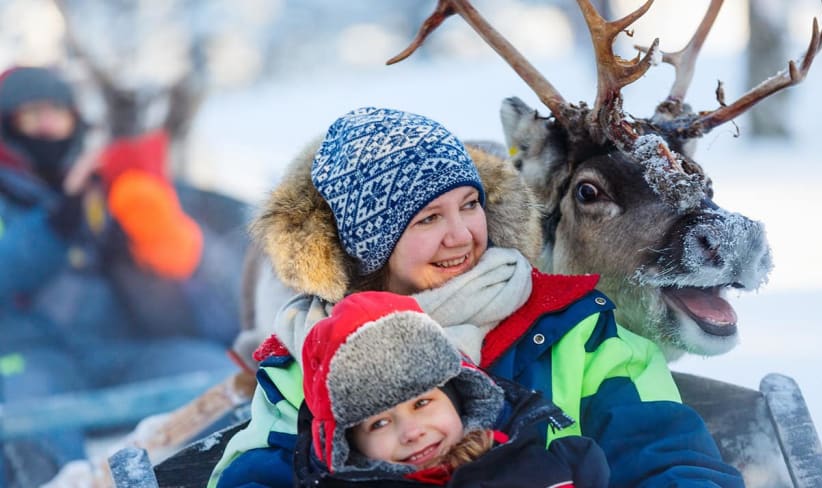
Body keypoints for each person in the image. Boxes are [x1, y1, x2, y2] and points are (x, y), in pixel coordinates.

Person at [211, 107, 744, 487]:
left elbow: (669, 456)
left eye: (469, 205)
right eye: (428, 219)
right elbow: (250, 475)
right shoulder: (307, 362)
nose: (462, 234)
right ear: (368, 248)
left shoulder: (575, 330)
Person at [0, 66, 238, 487]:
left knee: (220, 380)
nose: (47, 126)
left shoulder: (101, 180)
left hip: (118, 350)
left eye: (57, 112)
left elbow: (194, 258)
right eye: (31, 116)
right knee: (30, 430)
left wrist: (137, 239)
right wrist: (54, 227)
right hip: (30, 358)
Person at [292, 290, 609, 487]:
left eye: (422, 403)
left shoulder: (535, 463)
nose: (412, 431)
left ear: (458, 397)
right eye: (379, 423)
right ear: (350, 446)